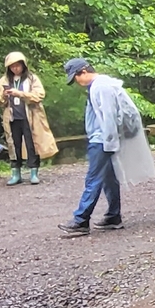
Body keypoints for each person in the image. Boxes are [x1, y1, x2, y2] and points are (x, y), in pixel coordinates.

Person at [63, 57, 145, 231]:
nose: (77, 82)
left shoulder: (101, 86)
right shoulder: (101, 85)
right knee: (108, 178)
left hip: (101, 140)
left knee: (93, 179)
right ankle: (113, 216)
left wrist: (109, 142)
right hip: (102, 139)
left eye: (76, 77)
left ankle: (81, 219)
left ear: (83, 72)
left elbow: (109, 115)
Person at [0, 53, 53, 185]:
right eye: (12, 66)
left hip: (30, 117)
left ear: (23, 65)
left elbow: (39, 95)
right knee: (14, 145)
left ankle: (34, 173)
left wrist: (20, 94)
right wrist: (4, 96)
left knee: (32, 144)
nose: (15, 68)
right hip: (12, 118)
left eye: (18, 65)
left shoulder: (32, 79)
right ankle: (16, 173)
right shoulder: (3, 81)